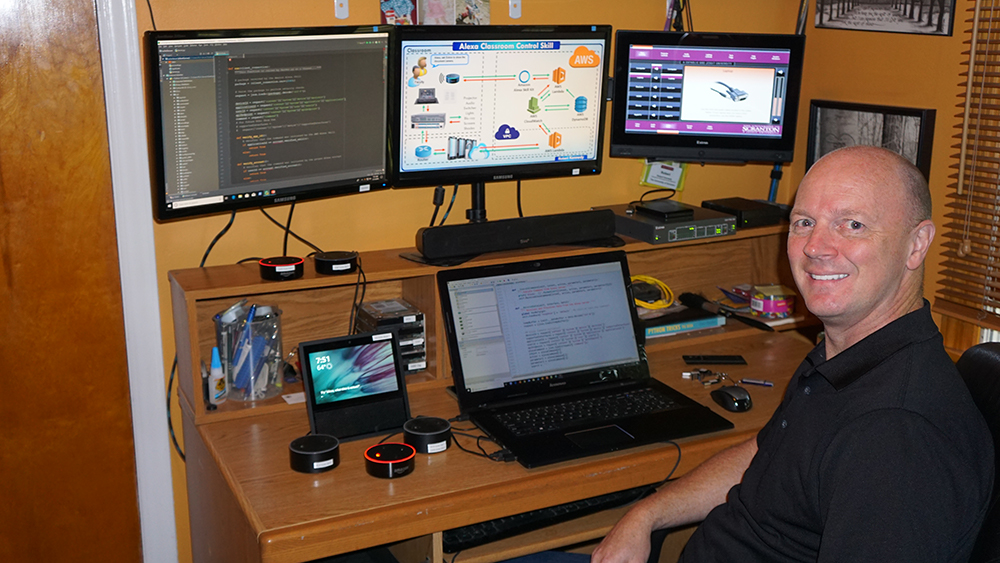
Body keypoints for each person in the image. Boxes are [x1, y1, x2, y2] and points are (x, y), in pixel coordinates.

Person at [591, 146, 994, 563]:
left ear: (917, 244)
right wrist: (645, 515)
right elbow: (766, 456)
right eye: (804, 222)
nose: (816, 247)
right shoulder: (848, 356)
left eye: (852, 225)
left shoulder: (895, 437)